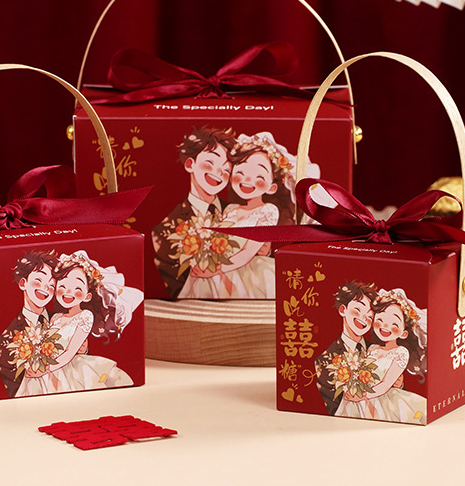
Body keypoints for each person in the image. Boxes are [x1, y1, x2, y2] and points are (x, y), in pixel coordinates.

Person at [178, 131, 296, 299]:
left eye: (259, 175)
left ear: (272, 187)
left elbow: (247, 253)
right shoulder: (230, 209)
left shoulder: (267, 211)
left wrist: (215, 270)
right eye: (241, 172)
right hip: (220, 266)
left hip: (245, 271)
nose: (247, 179)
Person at [16, 250, 142, 395]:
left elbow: (70, 352)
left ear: (87, 296)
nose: (68, 292)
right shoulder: (56, 317)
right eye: (62, 286)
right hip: (49, 367)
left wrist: (45, 369)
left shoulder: (85, 316)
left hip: (67, 369)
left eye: (77, 288)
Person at [151, 127, 235, 298]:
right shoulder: (166, 227)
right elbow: (169, 287)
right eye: (211, 162)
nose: (218, 173)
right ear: (190, 164)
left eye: (226, 169)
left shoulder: (235, 212)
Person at [336, 287, 428, 425]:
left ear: (403, 333)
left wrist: (362, 395)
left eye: (394, 323)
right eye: (381, 318)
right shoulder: (372, 348)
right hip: (359, 398)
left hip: (381, 400)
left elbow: (385, 384)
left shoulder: (401, 352)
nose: (385, 325)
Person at [0, 250, 58, 397]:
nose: (45, 288)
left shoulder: (60, 320)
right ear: (23, 283)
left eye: (52, 285)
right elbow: (11, 389)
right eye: (39, 280)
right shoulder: (6, 338)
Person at [313, 280, 377, 415]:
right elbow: (329, 408)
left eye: (370, 316)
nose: (364, 318)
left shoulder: (377, 350)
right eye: (358, 310)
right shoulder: (325, 359)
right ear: (343, 310)